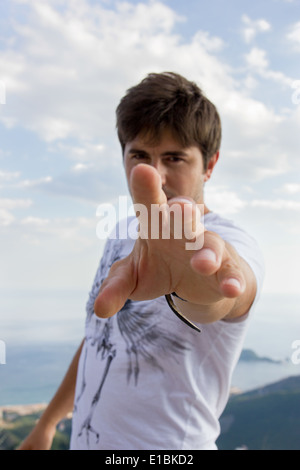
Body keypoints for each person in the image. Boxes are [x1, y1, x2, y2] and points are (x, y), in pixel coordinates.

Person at [19, 72, 264, 451]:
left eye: (174, 157)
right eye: (139, 156)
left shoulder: (228, 240)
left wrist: (197, 282)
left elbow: (224, 297)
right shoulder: (122, 232)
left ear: (210, 165)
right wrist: (48, 422)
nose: (156, 174)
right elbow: (99, 338)